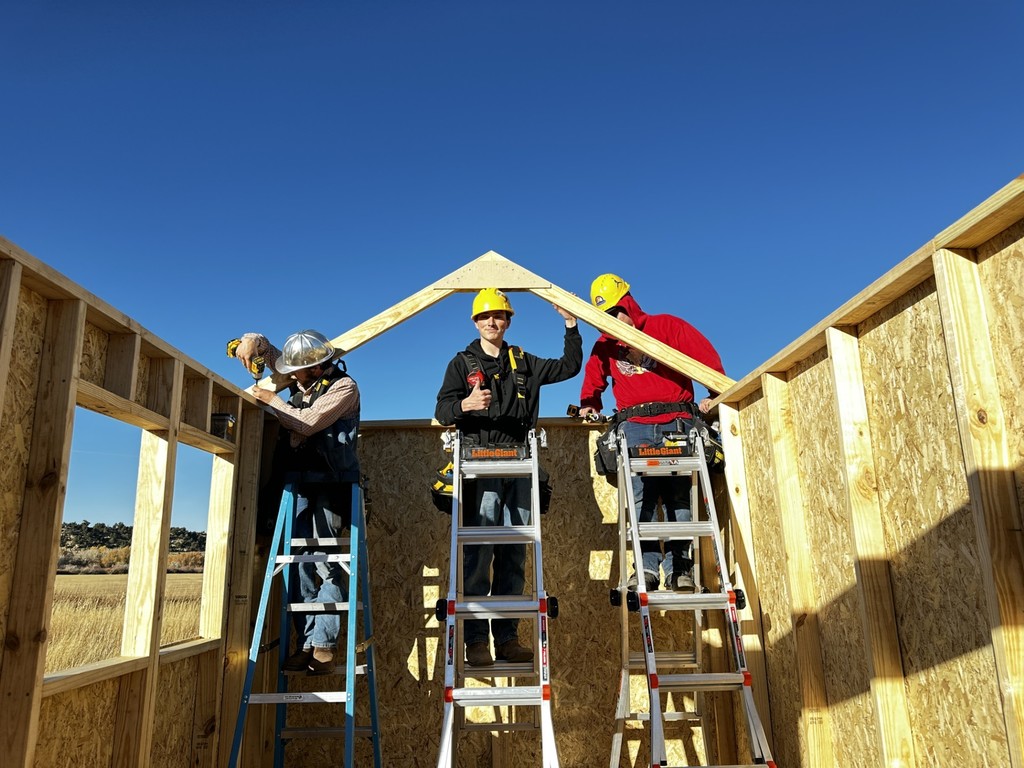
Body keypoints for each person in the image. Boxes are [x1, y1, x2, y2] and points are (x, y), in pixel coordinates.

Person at [435, 288, 582, 666]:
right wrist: (465, 404)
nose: (492, 322)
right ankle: (475, 642)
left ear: (508, 321)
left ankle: (507, 638)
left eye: (499, 316)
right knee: (479, 555)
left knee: (515, 553)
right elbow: (441, 408)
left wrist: (570, 322)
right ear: (475, 322)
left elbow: (568, 366)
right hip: (479, 467)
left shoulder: (523, 362)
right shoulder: (461, 363)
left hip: (519, 465)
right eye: (485, 317)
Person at [578, 274, 724, 593]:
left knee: (677, 498)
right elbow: (593, 382)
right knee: (640, 498)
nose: (614, 320)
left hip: (676, 423)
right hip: (634, 427)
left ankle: (679, 570)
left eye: (617, 311)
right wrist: (589, 404)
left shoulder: (667, 327)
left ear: (629, 303)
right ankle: (645, 570)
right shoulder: (605, 345)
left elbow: (707, 359)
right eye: (605, 316)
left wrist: (716, 392)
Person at [233, 329, 360, 675]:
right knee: (300, 565)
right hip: (297, 485)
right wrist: (252, 341)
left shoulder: (344, 389)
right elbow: (272, 352)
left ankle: (323, 644)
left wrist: (272, 400)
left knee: (327, 564)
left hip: (331, 484)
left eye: (297, 372)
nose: (290, 375)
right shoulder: (301, 374)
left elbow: (306, 423)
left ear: (317, 369)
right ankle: (305, 642)